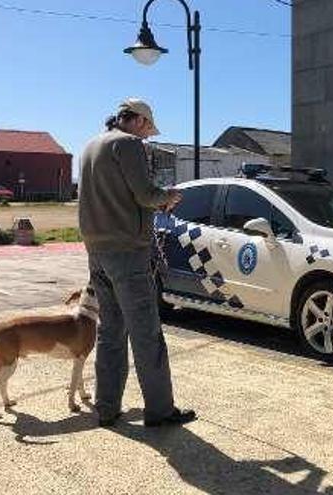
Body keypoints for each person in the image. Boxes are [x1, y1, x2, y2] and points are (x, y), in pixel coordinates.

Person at [78, 98, 196, 428]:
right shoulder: (128, 145)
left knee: (111, 332)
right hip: (127, 251)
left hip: (97, 250)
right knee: (146, 334)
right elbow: (145, 194)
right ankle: (159, 410)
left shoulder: (91, 145)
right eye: (147, 131)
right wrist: (167, 196)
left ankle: (106, 407)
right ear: (139, 122)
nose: (147, 138)